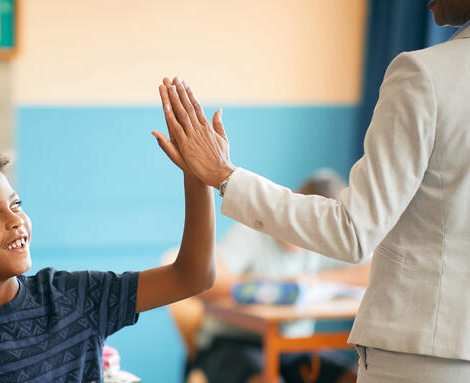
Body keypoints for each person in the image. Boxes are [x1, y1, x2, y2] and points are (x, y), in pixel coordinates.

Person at [152, 2, 470, 381]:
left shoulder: (428, 75)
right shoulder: (254, 242)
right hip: (238, 347)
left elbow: (353, 232)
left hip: (425, 354)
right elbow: (207, 279)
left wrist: (225, 175)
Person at [0, 140, 216, 382]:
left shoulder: (74, 296)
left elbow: (192, 276)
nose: (16, 221)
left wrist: (197, 178)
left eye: (16, 204)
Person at [165, 171, 364, 383]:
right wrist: (272, 288)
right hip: (232, 343)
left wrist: (315, 281)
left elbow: (369, 272)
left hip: (293, 347)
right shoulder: (253, 232)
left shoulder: (325, 244)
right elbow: (206, 281)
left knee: (354, 376)